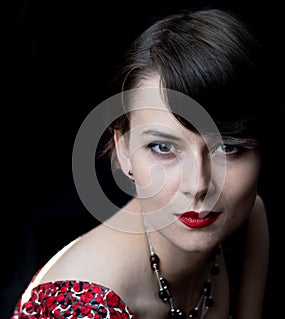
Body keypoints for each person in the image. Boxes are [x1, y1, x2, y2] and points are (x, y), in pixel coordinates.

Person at [11, 7, 270, 319]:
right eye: (162, 147)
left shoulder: (246, 220)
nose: (198, 186)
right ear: (123, 150)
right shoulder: (82, 308)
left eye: (227, 148)